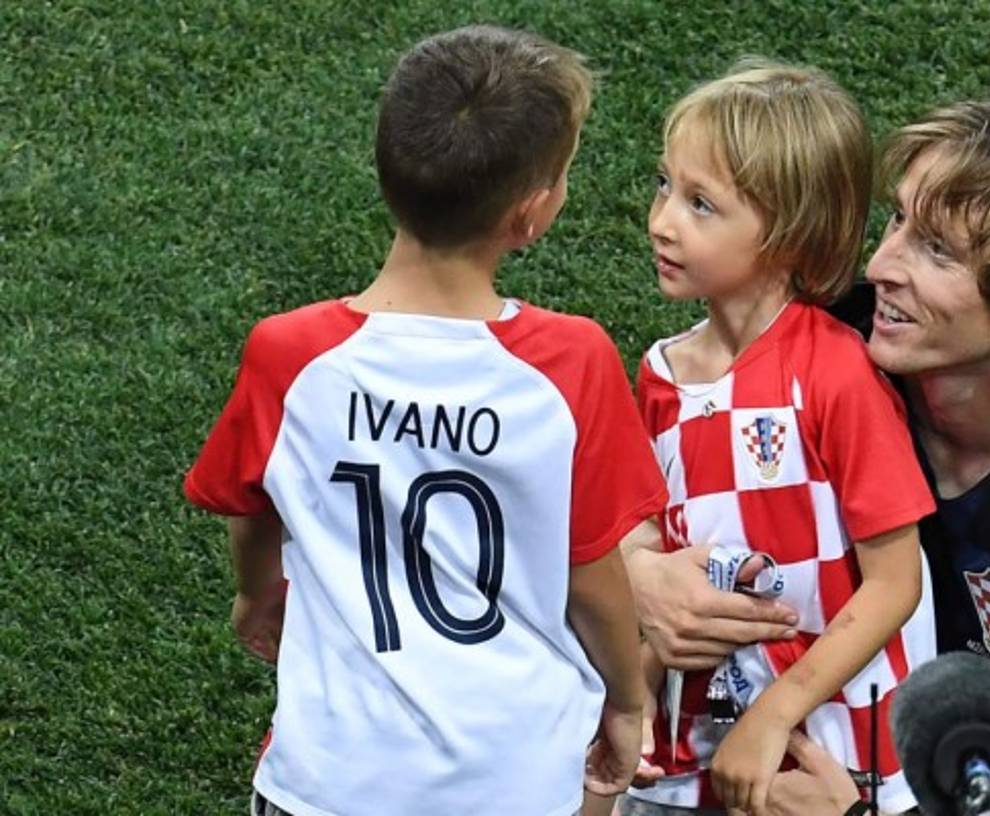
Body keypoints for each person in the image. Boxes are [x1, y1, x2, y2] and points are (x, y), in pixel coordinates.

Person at [626, 95, 990, 816]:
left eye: (939, 251)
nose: (880, 263)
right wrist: (642, 574)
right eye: (898, 219)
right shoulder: (834, 346)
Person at [183, 26, 667, 816]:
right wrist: (625, 695)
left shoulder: (291, 354)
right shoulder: (568, 362)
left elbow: (250, 508)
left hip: (327, 784)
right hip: (515, 781)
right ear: (531, 214)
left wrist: (254, 594)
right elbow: (591, 572)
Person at [619, 60, 938, 816]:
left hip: (819, 746)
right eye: (666, 185)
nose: (662, 220)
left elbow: (895, 584)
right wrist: (629, 690)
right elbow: (647, 544)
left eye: (701, 204)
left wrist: (773, 716)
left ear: (790, 235)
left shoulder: (836, 372)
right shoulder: (659, 374)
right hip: (688, 743)